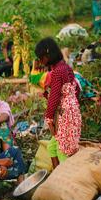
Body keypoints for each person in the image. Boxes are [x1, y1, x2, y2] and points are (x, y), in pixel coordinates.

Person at [35, 37, 81, 169]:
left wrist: (49, 118)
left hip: (65, 115)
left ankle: (66, 177)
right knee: (52, 146)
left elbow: (54, 97)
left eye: (41, 57)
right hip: (72, 111)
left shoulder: (57, 72)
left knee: (63, 151)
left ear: (48, 55)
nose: (40, 61)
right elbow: (75, 89)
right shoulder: (66, 67)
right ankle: (57, 173)